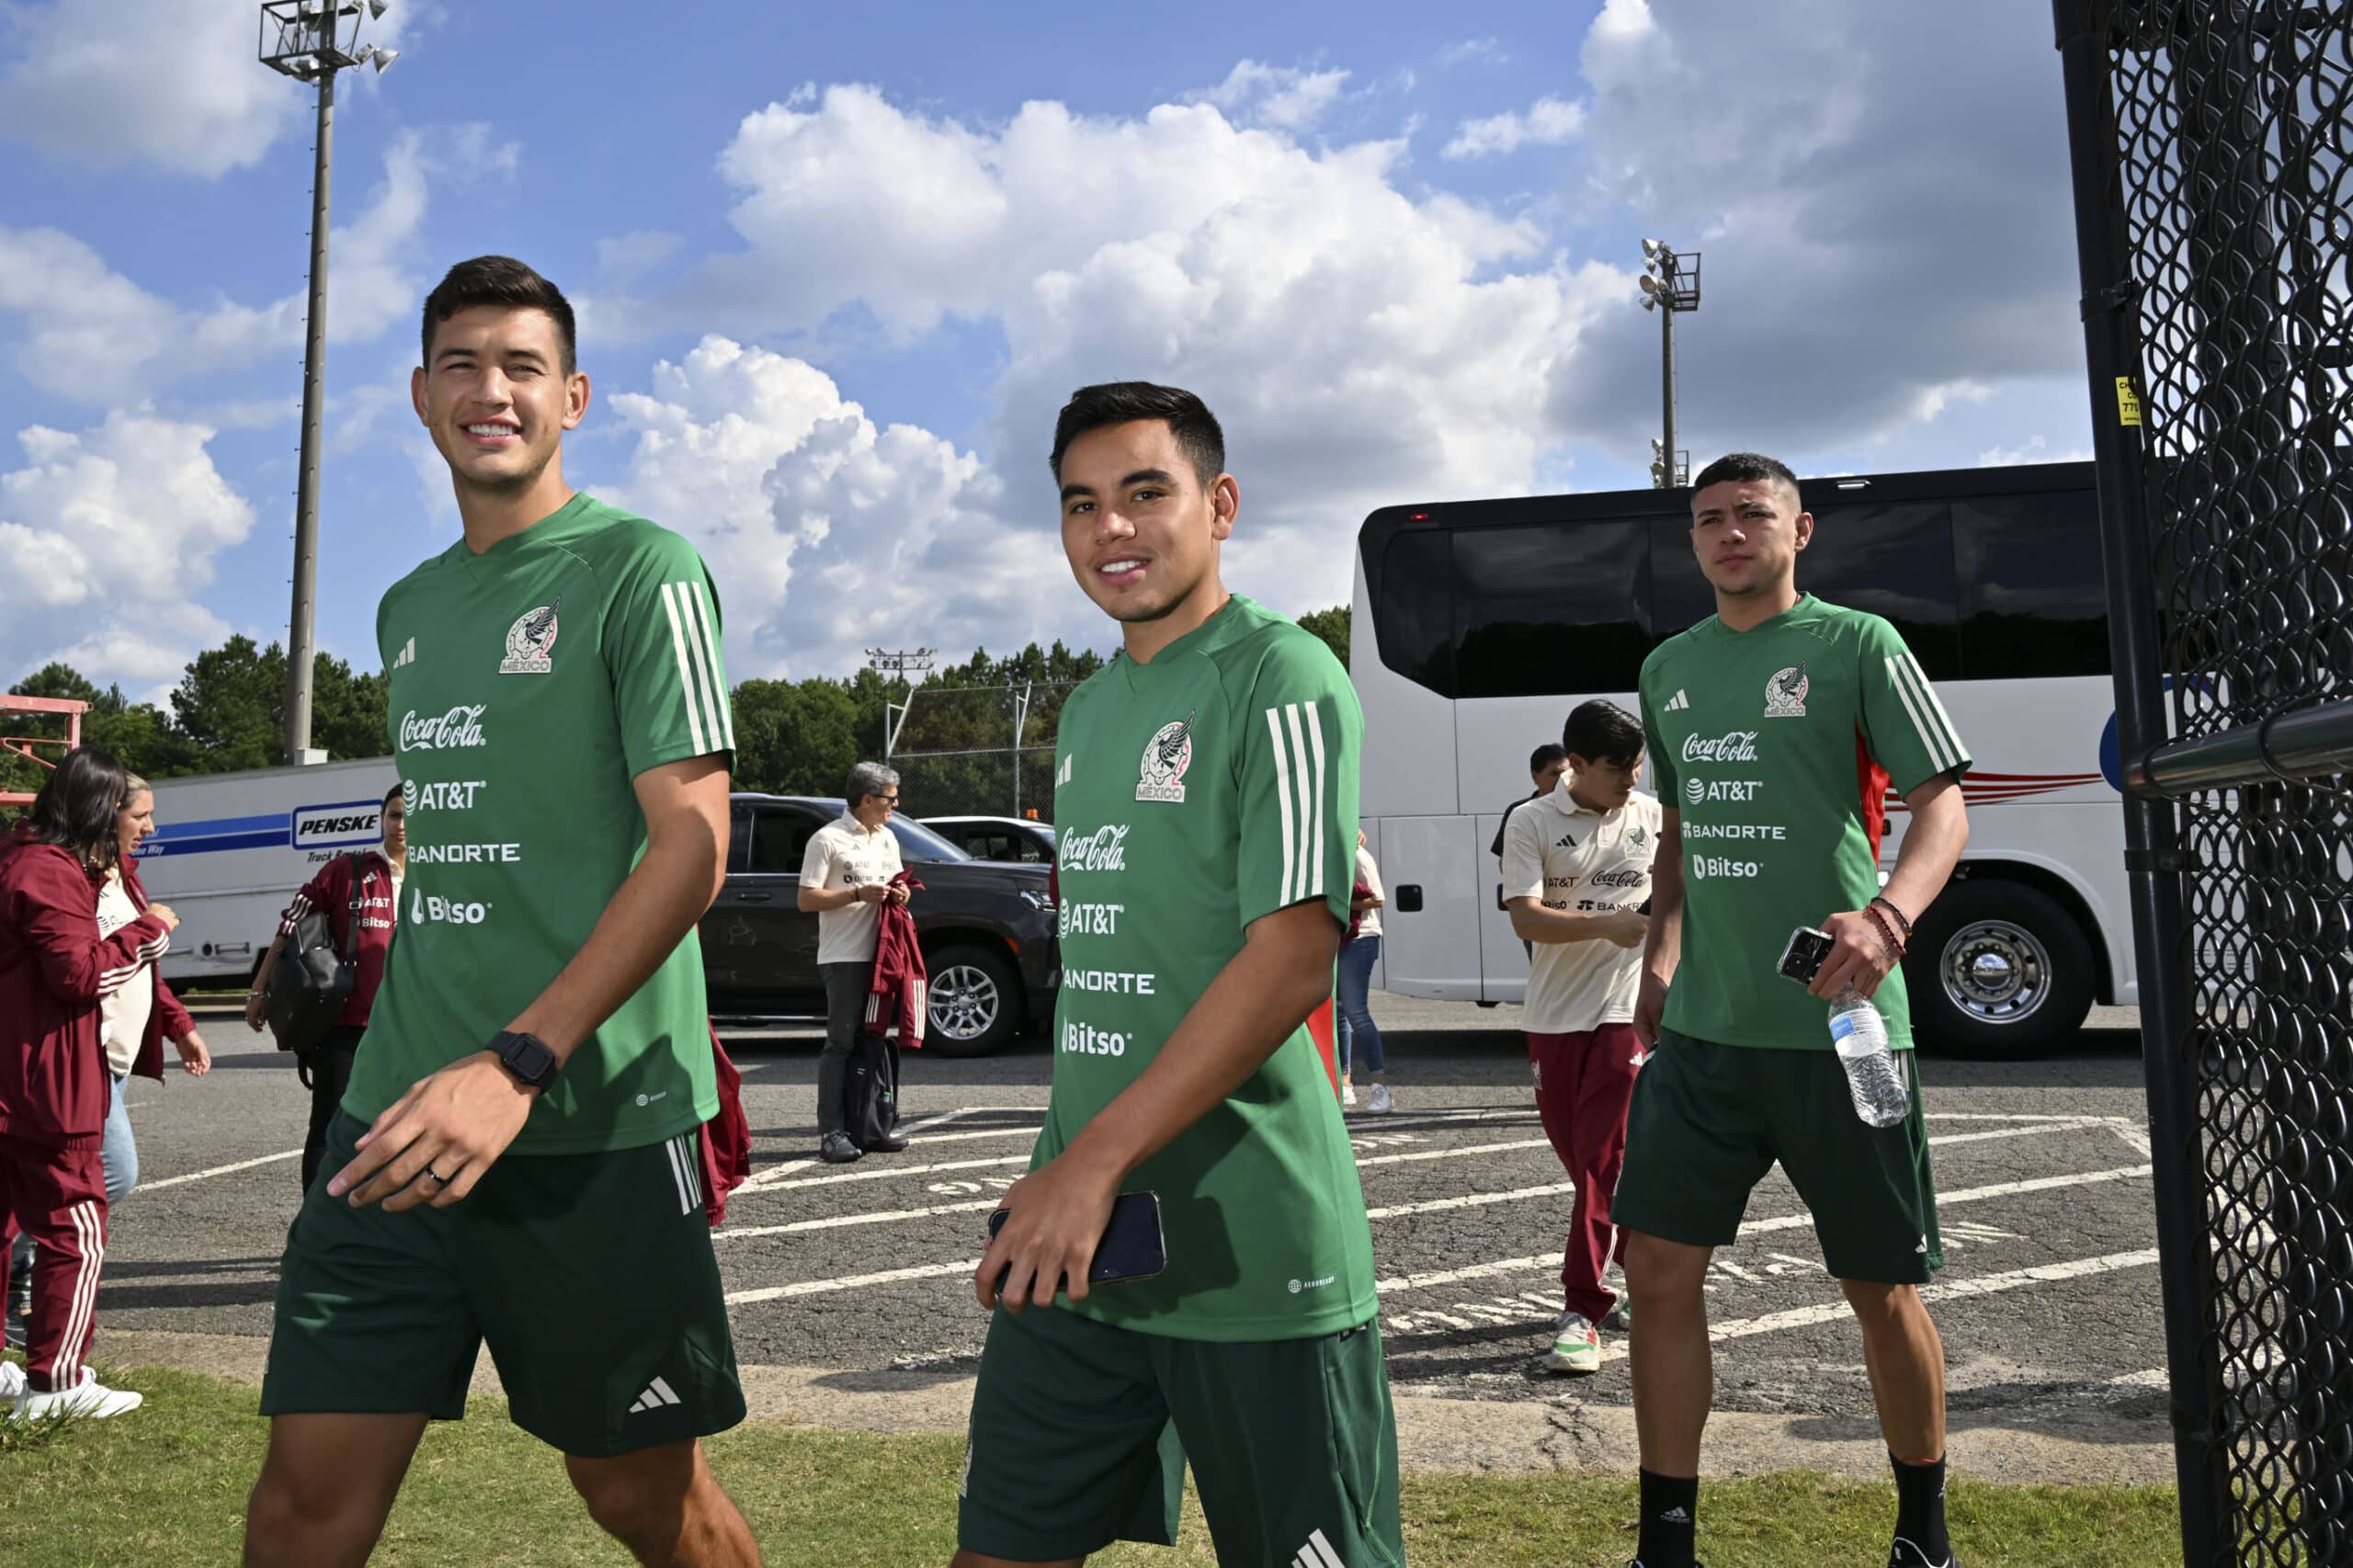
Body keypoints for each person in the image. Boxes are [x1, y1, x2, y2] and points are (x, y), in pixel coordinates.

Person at [241, 256, 759, 1568]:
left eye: (522, 366)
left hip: (587, 1119)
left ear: (572, 395)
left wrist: (520, 1057)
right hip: (394, 1119)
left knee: (642, 1498)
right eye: (462, 364)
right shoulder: (407, 608)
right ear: (421, 396)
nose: (492, 390)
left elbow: (692, 845)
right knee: (304, 1495)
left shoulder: (643, 569)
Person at [955, 382, 1403, 1568]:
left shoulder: (1282, 676)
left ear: (1220, 503)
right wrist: (1064, 1162)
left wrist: (1092, 1161)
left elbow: (1297, 952)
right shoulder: (1093, 708)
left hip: (1255, 1251)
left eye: (1146, 493)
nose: (1112, 528)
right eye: (1081, 504)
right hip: (1081, 1243)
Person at [1620, 452, 1972, 1568]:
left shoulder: (1856, 644)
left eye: (1752, 515)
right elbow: (1676, 830)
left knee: (1880, 1285)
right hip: (1703, 1040)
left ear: (1799, 529)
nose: (1730, 533)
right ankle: (1664, 1541)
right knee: (1656, 1273)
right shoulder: (1666, 668)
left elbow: (1943, 807)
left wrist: (1887, 918)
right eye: (1709, 519)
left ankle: (1923, 1531)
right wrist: (1658, 950)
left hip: (1843, 1032)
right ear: (1692, 537)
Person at [0, 745, 179, 1418]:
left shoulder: (17, 857)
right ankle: (59, 1383)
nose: (146, 828)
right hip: (44, 1081)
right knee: (76, 1231)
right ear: (100, 810)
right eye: (135, 814)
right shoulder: (49, 871)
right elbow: (79, 975)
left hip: (16, 1072)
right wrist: (148, 933)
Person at [1501, 699, 1657, 1375]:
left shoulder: (1653, 816)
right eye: (1618, 770)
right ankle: (1627, 1263)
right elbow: (1526, 920)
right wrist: (1606, 924)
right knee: (1587, 1162)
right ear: (1576, 765)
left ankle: (1582, 1310)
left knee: (1598, 1158)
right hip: (1553, 1016)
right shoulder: (1529, 821)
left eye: (1637, 769)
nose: (1630, 782)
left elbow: (1679, 899)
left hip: (1627, 1012)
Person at [244, 783, 405, 1191]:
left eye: (412, 815)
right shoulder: (347, 871)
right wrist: (259, 990)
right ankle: (314, 1229)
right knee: (330, 1128)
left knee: (401, 1129)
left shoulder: (440, 877)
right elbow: (289, 927)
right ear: (382, 819)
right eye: (395, 815)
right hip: (349, 1025)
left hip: (412, 1029)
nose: (402, 824)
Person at [797, 761, 913, 1165]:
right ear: (867, 799)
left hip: (882, 955)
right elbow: (806, 898)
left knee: (874, 1041)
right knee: (841, 1042)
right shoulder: (826, 840)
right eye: (890, 799)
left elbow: (898, 883)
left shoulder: (888, 838)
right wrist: (856, 895)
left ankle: (871, 1126)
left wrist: (900, 895)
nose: (894, 806)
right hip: (844, 955)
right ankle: (831, 1131)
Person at [1336, 829, 1391, 1113]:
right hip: (1340, 937)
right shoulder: (1334, 852)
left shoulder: (1358, 855)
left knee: (1356, 1012)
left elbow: (1378, 898)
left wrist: (1336, 903)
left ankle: (1380, 1087)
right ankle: (1345, 1084)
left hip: (1361, 938)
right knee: (1339, 1011)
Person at [1489, 743, 1569, 861]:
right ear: (1535, 777)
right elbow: (1506, 862)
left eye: (1566, 773)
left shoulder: (1583, 808)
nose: (1562, 779)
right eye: (1554, 774)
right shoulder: (1519, 811)